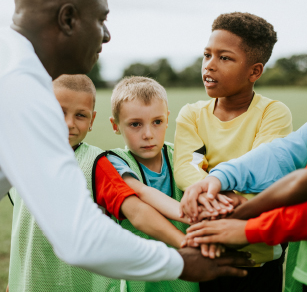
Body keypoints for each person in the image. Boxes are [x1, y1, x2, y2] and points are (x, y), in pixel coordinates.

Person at [0, 0, 252, 283]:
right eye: (101, 19)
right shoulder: (24, 91)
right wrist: (182, 262)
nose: (106, 35)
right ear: (68, 19)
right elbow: (78, 236)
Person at [8, 74, 206, 291]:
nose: (69, 124)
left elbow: (138, 211)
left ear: (91, 120)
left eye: (80, 115)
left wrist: (200, 233)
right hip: (29, 282)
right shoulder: (18, 159)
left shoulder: (98, 163)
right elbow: (23, 230)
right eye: (135, 124)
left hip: (166, 279)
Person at [182, 31, 307, 292]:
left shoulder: (274, 112)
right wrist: (219, 178)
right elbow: (277, 156)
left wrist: (248, 228)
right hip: (306, 274)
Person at [174, 12, 293, 291]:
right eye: (207, 55)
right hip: (208, 254)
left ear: (254, 71)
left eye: (224, 58)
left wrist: (217, 196)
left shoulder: (273, 113)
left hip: (261, 258)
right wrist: (223, 199)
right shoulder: (191, 114)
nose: (209, 66)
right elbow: (185, 167)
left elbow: (265, 170)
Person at [105, 76, 236, 291]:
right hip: (141, 280)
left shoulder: (182, 155)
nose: (148, 134)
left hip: (187, 278)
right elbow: (143, 192)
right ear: (115, 125)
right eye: (135, 124)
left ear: (167, 119)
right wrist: (196, 215)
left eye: (157, 122)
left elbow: (208, 186)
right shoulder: (114, 161)